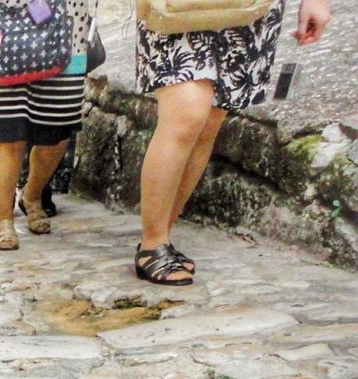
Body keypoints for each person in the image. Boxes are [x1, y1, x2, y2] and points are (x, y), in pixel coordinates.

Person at [133, 0, 331, 283]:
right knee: (188, 113)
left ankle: (161, 238)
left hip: (248, 9)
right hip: (176, 6)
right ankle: (153, 244)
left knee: (210, 120)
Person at [0, 0, 95, 250]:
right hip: (10, 33)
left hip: (68, 38)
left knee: (56, 134)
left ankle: (32, 195)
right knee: (8, 132)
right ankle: (3, 219)